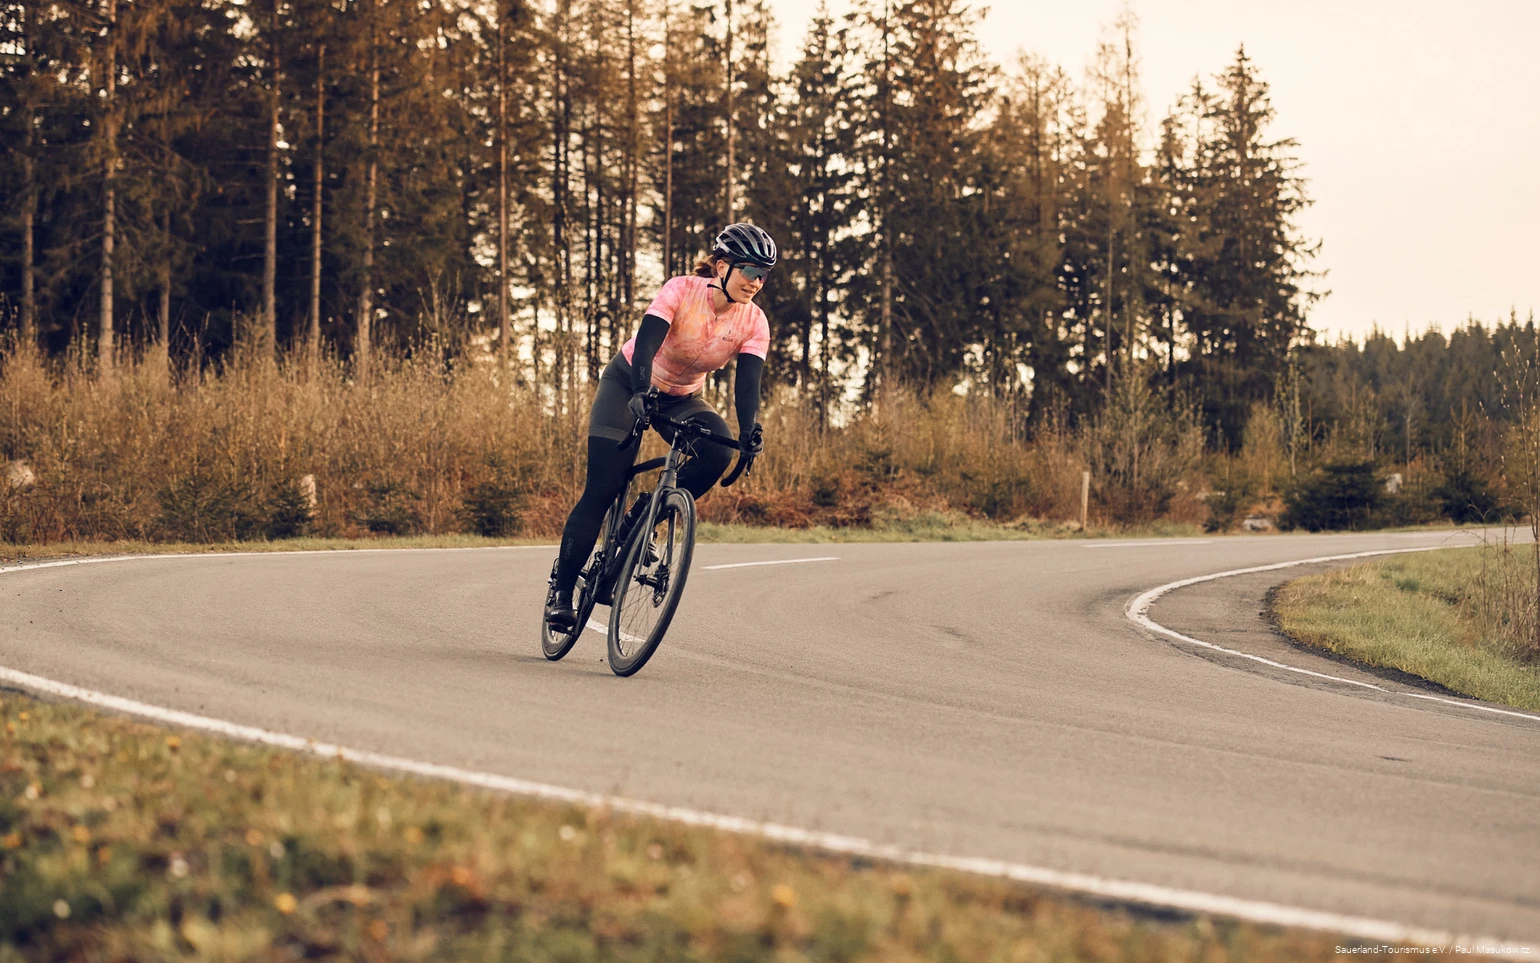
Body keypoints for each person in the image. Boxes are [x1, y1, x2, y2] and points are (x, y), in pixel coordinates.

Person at [544, 223, 776, 630]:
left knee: (717, 451)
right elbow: (647, 341)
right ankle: (562, 592)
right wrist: (638, 390)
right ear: (722, 266)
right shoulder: (681, 289)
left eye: (764, 275)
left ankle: (643, 517)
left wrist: (749, 430)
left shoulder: (754, 322)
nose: (757, 282)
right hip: (628, 383)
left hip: (683, 397)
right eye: (750, 271)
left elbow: (748, 383)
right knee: (603, 487)